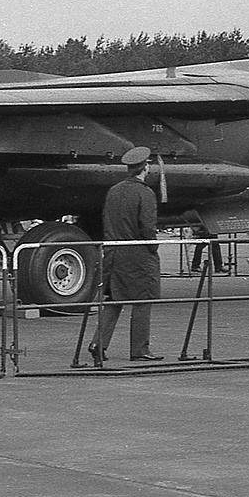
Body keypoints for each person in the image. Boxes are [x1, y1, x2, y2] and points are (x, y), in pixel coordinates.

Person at [88, 146, 163, 363]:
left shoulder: (114, 191)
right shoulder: (145, 193)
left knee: (114, 300)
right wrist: (153, 249)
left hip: (113, 253)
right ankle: (140, 349)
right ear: (145, 167)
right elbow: (147, 228)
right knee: (143, 301)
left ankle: (97, 343)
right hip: (137, 256)